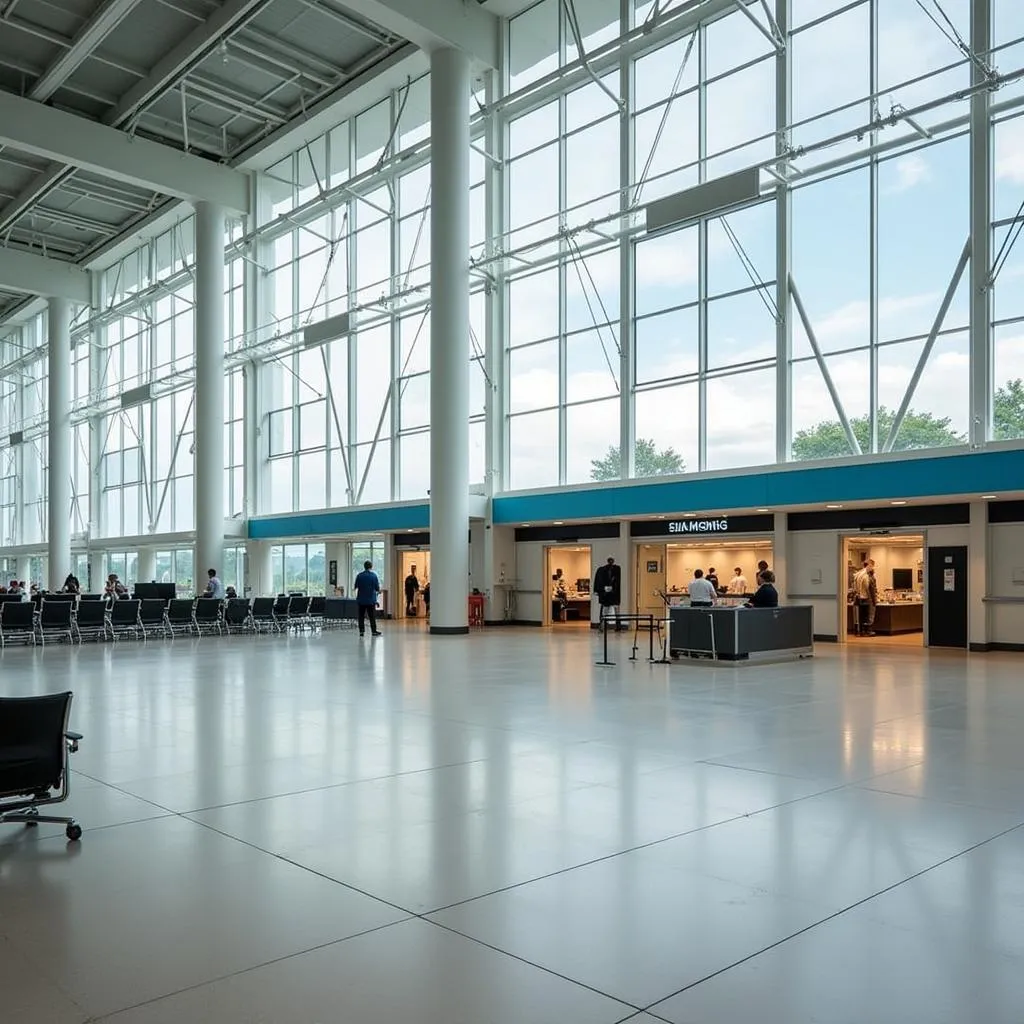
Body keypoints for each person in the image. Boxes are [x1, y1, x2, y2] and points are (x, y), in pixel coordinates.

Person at [354, 560, 382, 637]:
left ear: (364, 566)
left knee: (361, 616)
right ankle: (373, 631)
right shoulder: (373, 576)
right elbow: (377, 588)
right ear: (371, 566)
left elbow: (356, 586)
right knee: (372, 616)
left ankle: (361, 631)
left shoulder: (359, 575)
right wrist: (379, 591)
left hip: (361, 599)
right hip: (371, 600)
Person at [593, 556, 622, 630]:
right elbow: (598, 581)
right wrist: (602, 589)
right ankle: (602, 626)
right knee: (605, 611)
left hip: (613, 594)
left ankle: (617, 626)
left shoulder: (617, 570)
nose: (611, 562)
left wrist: (613, 588)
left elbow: (618, 582)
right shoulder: (602, 570)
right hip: (606, 594)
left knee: (615, 611)